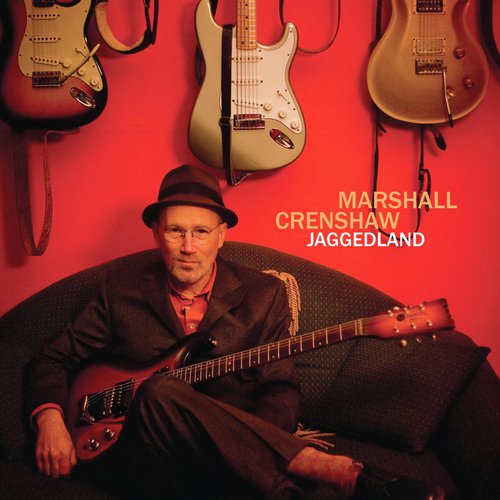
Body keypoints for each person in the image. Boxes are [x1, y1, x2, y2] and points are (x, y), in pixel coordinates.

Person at [26, 165, 436, 499]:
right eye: (176, 231)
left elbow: (280, 389)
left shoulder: (263, 294)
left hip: (218, 464)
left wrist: (245, 449)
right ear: (156, 234)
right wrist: (50, 419)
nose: (189, 246)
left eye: (201, 232)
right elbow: (52, 358)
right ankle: (328, 471)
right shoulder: (121, 290)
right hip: (137, 453)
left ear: (221, 236)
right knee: (159, 390)